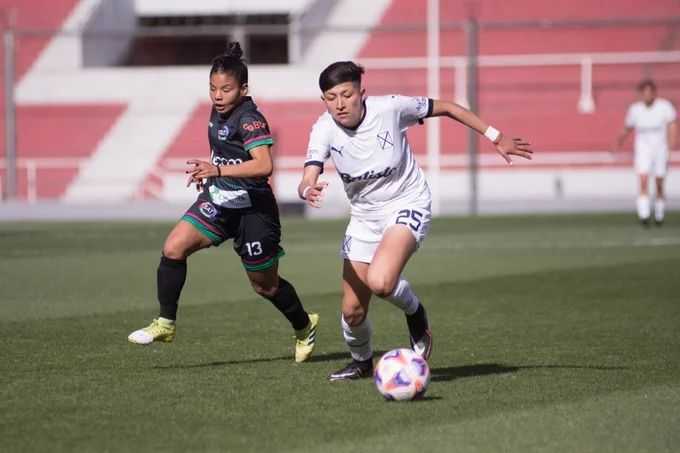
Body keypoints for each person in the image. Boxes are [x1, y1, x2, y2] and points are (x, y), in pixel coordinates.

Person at [298, 61, 532, 381]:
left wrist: (496, 135)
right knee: (352, 312)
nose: (339, 103)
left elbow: (448, 108)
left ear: (361, 94)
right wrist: (306, 188)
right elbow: (309, 172)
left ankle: (415, 312)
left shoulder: (391, 108)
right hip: (364, 217)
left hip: (407, 202)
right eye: (330, 97)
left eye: (346, 94)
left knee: (381, 281)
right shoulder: (323, 128)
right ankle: (362, 362)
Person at [128, 42, 319, 363]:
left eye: (226, 89)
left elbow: (263, 165)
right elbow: (226, 154)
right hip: (219, 201)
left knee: (265, 287)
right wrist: (212, 173)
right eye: (212, 88)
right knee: (174, 248)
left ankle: (303, 325)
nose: (217, 95)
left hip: (253, 212)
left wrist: (216, 169)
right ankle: (166, 322)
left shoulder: (250, 119)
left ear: (243, 89)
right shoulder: (218, 113)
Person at [617, 79, 677, 226]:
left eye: (650, 93)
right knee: (643, 181)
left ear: (654, 93)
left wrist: (671, 145)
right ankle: (644, 215)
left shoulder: (664, 107)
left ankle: (659, 214)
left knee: (659, 183)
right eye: (644, 93)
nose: (647, 96)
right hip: (643, 150)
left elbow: (672, 126)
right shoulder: (635, 110)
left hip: (660, 150)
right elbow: (627, 128)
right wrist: (618, 141)